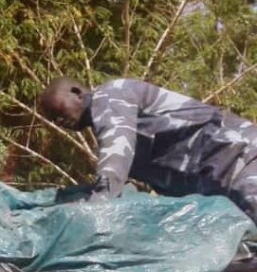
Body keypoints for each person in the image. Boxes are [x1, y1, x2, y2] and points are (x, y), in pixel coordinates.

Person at [39, 77, 257, 222]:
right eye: (52, 119)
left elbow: (117, 153)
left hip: (241, 155)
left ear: (76, 92)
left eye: (57, 110)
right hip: (222, 187)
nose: (58, 121)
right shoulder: (116, 139)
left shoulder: (110, 95)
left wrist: (96, 206)